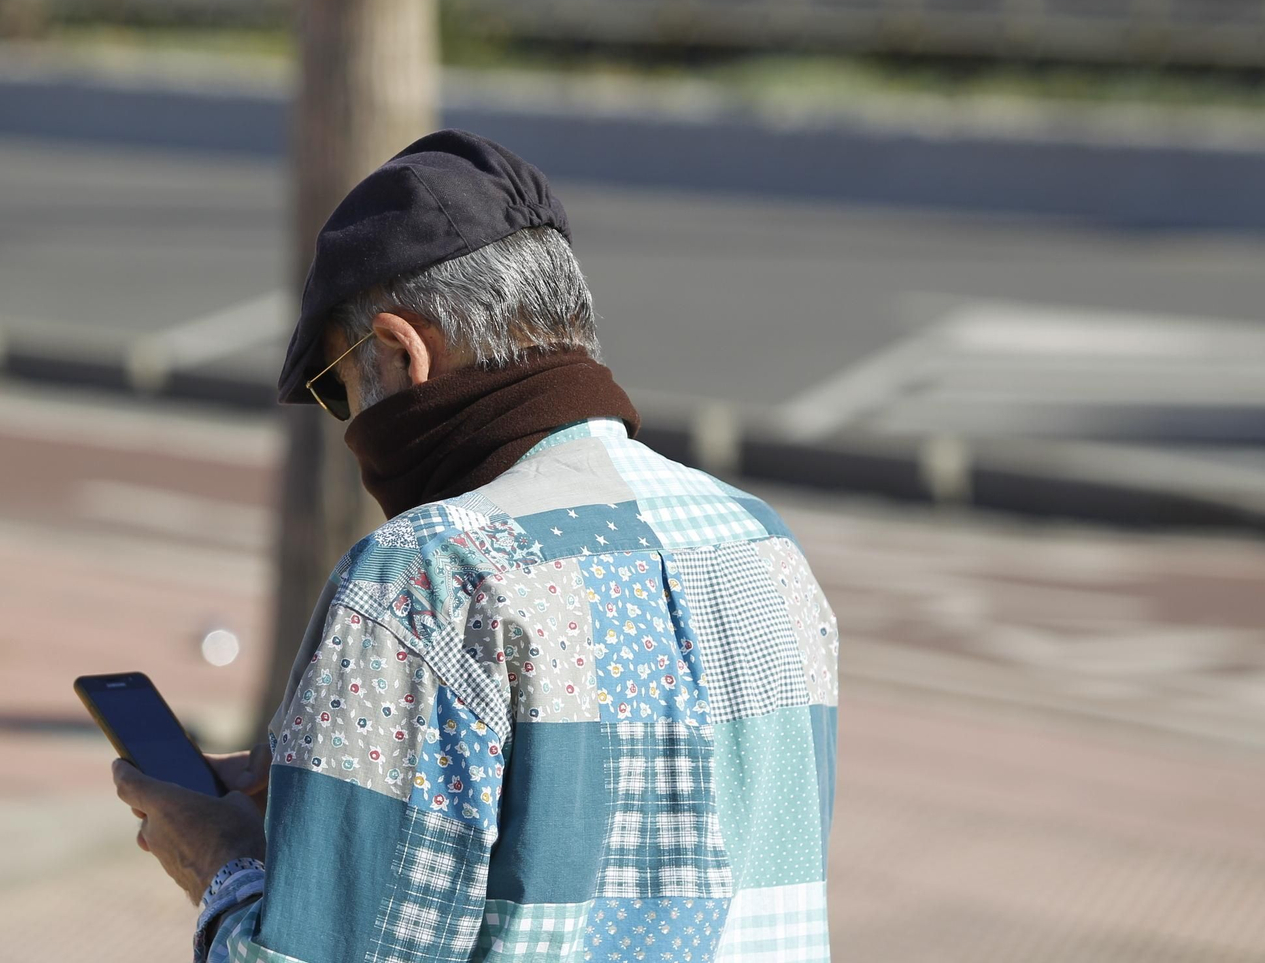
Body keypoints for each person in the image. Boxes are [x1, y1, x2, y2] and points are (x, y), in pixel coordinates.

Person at [112, 130, 839, 963]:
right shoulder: (760, 545)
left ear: (400, 351)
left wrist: (221, 863)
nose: (352, 426)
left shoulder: (427, 578)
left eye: (338, 390)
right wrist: (339, 794)